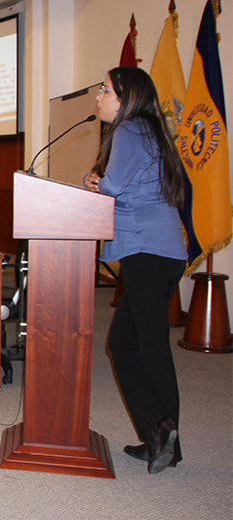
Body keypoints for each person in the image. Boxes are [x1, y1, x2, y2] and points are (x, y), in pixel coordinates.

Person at [82, 67, 187, 475]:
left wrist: (96, 184)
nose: (99, 98)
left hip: (149, 251)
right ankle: (159, 434)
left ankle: (166, 434)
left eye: (105, 90)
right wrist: (99, 183)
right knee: (126, 343)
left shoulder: (130, 131)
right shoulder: (148, 130)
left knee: (149, 345)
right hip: (161, 252)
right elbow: (122, 186)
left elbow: (111, 189)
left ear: (126, 97)